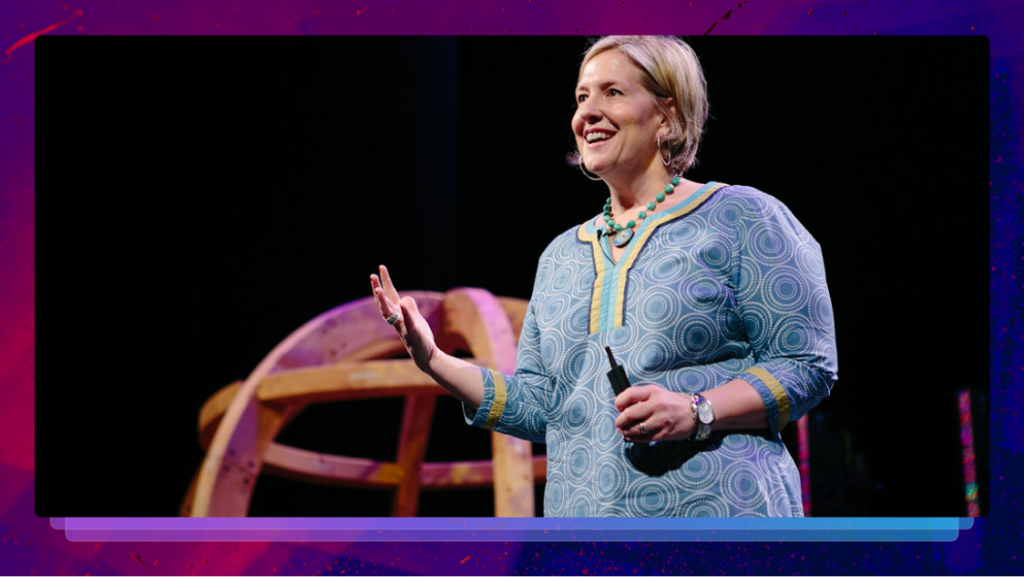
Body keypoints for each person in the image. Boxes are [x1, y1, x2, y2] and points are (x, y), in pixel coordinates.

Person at [370, 36, 837, 517]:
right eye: (581, 97)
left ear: (667, 115)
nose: (587, 113)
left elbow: (807, 363)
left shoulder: (743, 217)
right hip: (586, 535)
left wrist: (697, 409)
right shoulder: (559, 256)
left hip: (719, 521)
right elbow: (543, 407)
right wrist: (435, 360)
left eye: (612, 92)